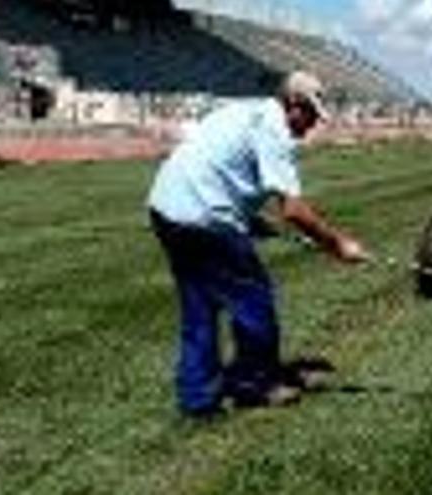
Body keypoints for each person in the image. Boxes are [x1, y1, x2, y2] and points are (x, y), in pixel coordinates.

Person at [147, 71, 370, 418]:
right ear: (293, 105)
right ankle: (253, 384)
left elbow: (219, 167)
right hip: (205, 219)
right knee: (254, 301)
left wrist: (250, 220)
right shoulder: (275, 131)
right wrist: (337, 244)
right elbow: (294, 211)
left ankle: (197, 399)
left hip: (166, 210)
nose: (312, 126)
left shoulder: (243, 110)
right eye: (310, 115)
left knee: (200, 307)